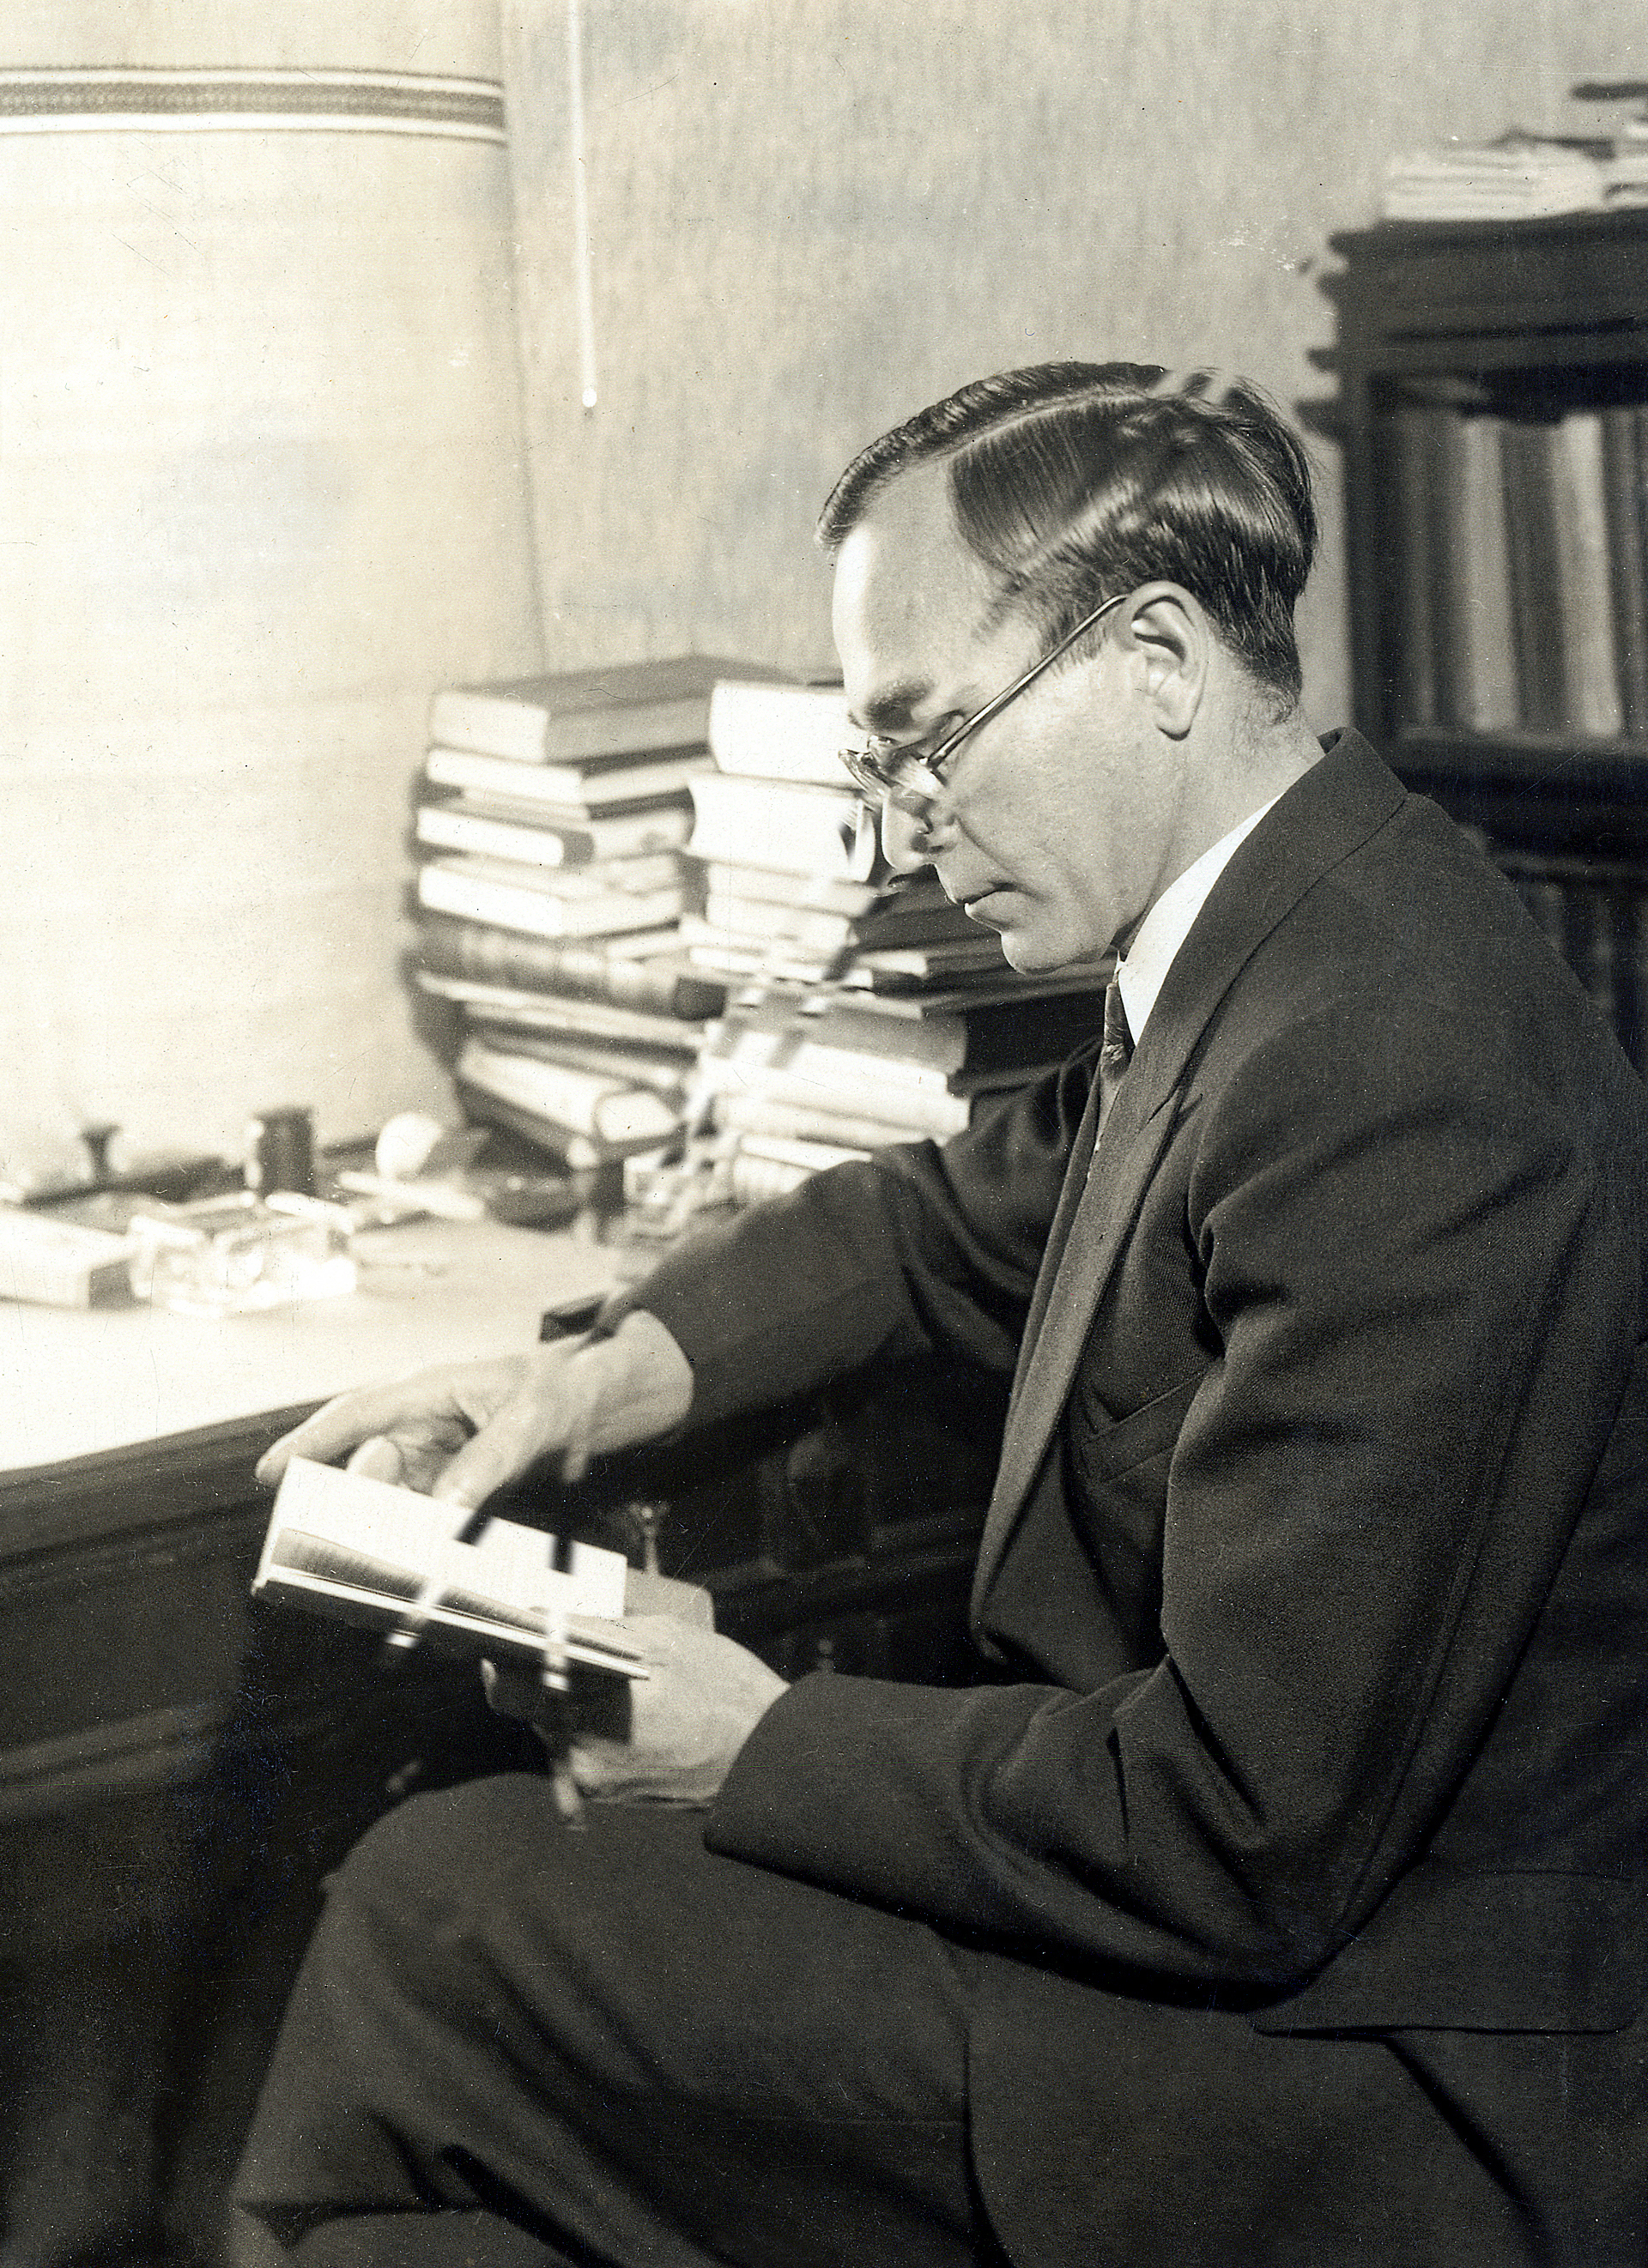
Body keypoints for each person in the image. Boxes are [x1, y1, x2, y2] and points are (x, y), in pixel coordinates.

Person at [233, 363, 1648, 2268]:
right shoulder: (1280, 937)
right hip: (1248, 1953)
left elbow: (1242, 1827)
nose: (906, 833)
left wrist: (759, 1734)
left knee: (437, 1917)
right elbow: (945, 1218)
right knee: (440, 1947)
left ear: (1154, 656)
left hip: (1377, 2091)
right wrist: (572, 1380)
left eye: (931, 741)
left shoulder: (1397, 1060)